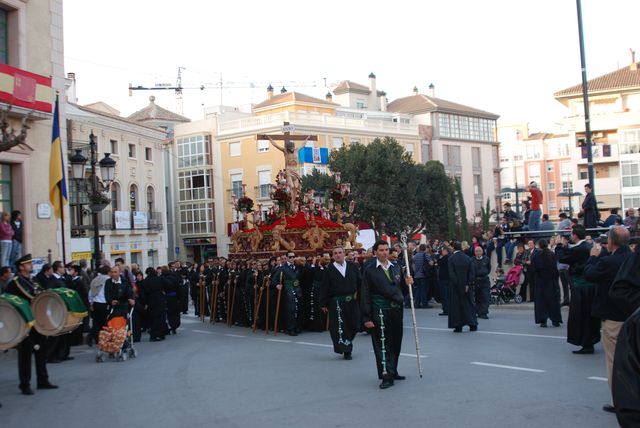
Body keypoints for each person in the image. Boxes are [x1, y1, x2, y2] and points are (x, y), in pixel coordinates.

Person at [583, 226, 631, 413]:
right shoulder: (632, 258)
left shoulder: (608, 262)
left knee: (614, 361)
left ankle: (618, 401)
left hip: (614, 317)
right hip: (633, 315)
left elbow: (589, 274)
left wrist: (593, 256)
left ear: (611, 242)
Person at [4, 254, 58, 395]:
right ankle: (24, 383)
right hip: (24, 323)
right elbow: (12, 303)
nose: (31, 266)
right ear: (21, 266)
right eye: (28, 264)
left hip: (37, 321)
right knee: (26, 354)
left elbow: (41, 294)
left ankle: (43, 380)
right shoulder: (15, 283)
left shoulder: (32, 280)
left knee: (41, 351)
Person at [360, 240, 411, 389]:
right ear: (375, 252)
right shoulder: (369, 269)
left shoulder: (396, 267)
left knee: (396, 342)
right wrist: (366, 317)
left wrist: (408, 284)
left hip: (396, 310)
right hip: (379, 310)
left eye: (386, 250)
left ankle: (393, 369)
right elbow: (365, 294)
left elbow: (402, 290)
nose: (384, 253)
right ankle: (386, 375)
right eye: (381, 250)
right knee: (382, 343)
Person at [556, 224, 600, 354]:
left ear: (574, 235)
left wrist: (559, 246)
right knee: (589, 316)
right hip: (589, 286)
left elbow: (563, 258)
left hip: (582, 287)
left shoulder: (580, 248)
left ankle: (587, 343)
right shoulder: (587, 246)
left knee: (581, 316)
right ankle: (590, 340)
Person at [319, 246, 362, 360]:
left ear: (344, 254)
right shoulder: (329, 269)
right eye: (335, 253)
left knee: (355, 324)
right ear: (333, 256)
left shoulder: (353, 266)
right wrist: (323, 303)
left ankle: (348, 341)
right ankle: (346, 349)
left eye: (340, 252)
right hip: (336, 302)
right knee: (340, 326)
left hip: (351, 300)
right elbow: (324, 287)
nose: (338, 255)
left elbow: (360, 282)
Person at [448, 241, 478, 333]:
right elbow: (471, 272)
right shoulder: (467, 258)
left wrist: (457, 284)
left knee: (456, 306)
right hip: (466, 286)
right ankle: (472, 324)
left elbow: (452, 274)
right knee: (468, 305)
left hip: (456, 287)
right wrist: (467, 284)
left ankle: (458, 326)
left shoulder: (451, 258)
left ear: (453, 248)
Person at [531, 240, 562, 328]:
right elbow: (555, 268)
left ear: (539, 246)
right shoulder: (552, 254)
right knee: (553, 301)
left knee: (541, 302)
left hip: (540, 281)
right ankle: (555, 320)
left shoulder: (535, 256)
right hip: (551, 281)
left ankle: (543, 321)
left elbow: (534, 269)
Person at [271, 251, 303, 336]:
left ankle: (297, 326)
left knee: (298, 308)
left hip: (297, 289)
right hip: (288, 289)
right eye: (290, 257)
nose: (292, 258)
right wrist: (277, 285)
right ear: (287, 258)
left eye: (293, 256)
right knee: (291, 309)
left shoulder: (297, 266)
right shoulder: (283, 268)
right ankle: (290, 328)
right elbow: (274, 279)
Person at [139, 267, 168, 341]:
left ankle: (153, 335)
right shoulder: (159, 279)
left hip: (150, 301)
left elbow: (142, 295)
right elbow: (170, 284)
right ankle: (161, 334)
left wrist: (145, 303)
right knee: (161, 318)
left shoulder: (144, 282)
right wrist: (164, 291)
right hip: (160, 299)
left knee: (152, 318)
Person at [87, 265, 110, 347]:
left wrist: (91, 302)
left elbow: (90, 292)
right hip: (104, 303)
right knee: (104, 322)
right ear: (108, 272)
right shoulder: (108, 280)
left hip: (95, 303)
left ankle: (91, 337)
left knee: (96, 322)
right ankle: (104, 340)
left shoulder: (95, 280)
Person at [472, 246, 491, 319]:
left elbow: (489, 269)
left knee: (485, 297)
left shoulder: (486, 259)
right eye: (476, 251)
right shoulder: (472, 260)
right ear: (474, 252)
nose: (478, 253)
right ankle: (479, 312)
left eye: (479, 251)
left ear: (482, 252)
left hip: (484, 280)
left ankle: (484, 312)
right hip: (476, 281)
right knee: (477, 297)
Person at [437, 246, 450, 316]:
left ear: (445, 251)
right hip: (448, 278)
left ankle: (446, 310)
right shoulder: (450, 257)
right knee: (447, 295)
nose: (442, 252)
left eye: (443, 251)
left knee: (444, 295)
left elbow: (439, 262)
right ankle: (448, 309)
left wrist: (439, 258)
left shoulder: (444, 258)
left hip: (443, 278)